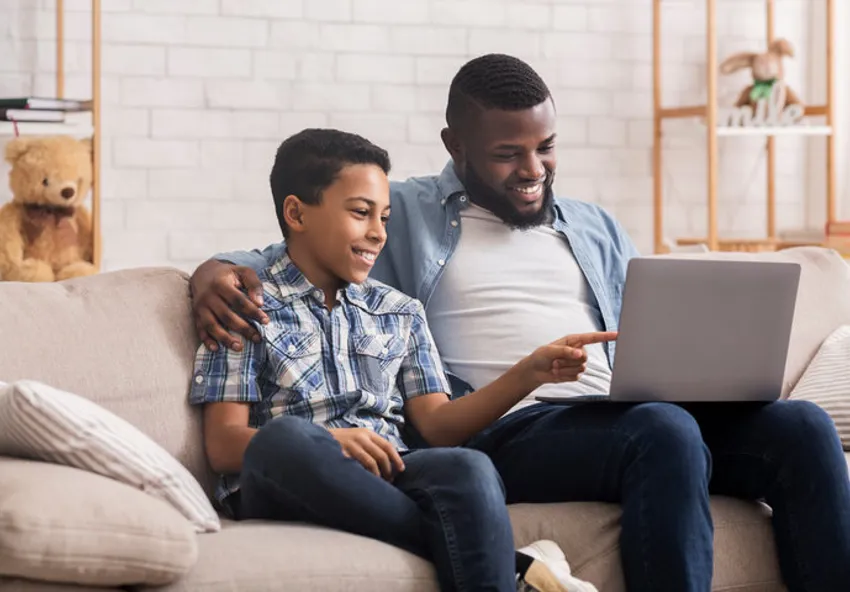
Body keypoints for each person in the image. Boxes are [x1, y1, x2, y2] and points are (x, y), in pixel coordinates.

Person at [190, 55, 850, 592]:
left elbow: (650, 328)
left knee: (799, 427)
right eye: (508, 153)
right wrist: (212, 273)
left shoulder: (594, 226)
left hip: (618, 414)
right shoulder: (405, 212)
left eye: (546, 148)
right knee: (662, 428)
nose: (533, 170)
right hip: (508, 430)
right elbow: (291, 252)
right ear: (457, 146)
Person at [188, 127, 606, 592]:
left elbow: (439, 425)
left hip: (387, 473)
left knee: (466, 468)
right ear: (296, 213)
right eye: (361, 213)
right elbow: (224, 445)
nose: (378, 233)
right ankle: (513, 564)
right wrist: (334, 443)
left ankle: (499, 568)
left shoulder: (400, 312)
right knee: (285, 439)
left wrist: (529, 372)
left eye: (384, 217)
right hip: (287, 476)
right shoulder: (243, 304)